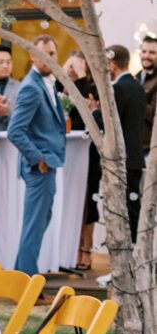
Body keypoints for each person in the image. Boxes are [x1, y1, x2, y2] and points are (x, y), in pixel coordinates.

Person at [8, 35, 66, 279]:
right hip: (39, 167)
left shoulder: (47, 83)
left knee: (40, 221)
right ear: (33, 55)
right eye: (45, 53)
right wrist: (38, 158)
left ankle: (21, 277)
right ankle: (27, 282)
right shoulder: (31, 86)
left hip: (49, 163)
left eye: (53, 53)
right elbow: (15, 131)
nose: (50, 58)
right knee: (34, 225)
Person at [59, 52, 100, 271]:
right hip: (65, 152)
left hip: (88, 151)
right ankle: (67, 247)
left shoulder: (91, 88)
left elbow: (91, 113)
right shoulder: (59, 87)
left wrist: (83, 78)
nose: (73, 70)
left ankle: (85, 249)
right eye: (70, 66)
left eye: (77, 67)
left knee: (87, 202)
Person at [107, 44, 146, 243]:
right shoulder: (137, 86)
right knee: (133, 207)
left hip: (123, 160)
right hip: (136, 157)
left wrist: (96, 111)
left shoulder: (119, 89)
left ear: (112, 64)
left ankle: (126, 259)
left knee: (123, 211)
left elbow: (112, 124)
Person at [135, 32, 157, 155]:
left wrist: (135, 98)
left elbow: (154, 113)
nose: (146, 56)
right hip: (135, 146)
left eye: (152, 52)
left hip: (151, 148)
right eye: (144, 51)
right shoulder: (137, 77)